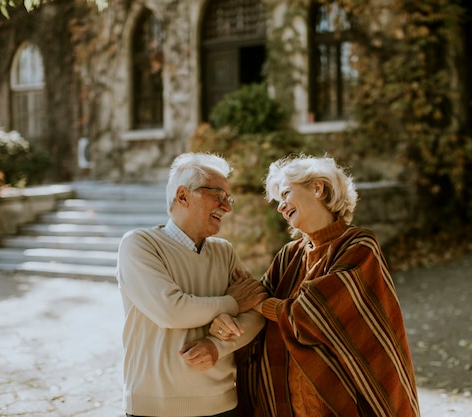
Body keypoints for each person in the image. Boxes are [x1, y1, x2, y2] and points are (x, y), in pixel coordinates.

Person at [210, 155, 420, 417]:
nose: (280, 207)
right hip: (285, 402)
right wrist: (229, 311)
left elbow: (315, 313)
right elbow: (252, 302)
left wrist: (261, 303)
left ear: (317, 188)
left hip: (341, 401)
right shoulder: (288, 255)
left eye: (286, 193)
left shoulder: (359, 245)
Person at [116, 152, 267, 417]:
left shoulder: (225, 252)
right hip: (155, 409)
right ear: (183, 196)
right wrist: (233, 303)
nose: (227, 207)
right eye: (218, 195)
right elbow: (171, 310)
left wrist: (216, 345)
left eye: (228, 198)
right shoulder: (139, 244)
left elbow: (257, 311)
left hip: (224, 405)